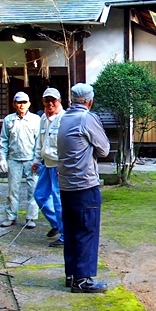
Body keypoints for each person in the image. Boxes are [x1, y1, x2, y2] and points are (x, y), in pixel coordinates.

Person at [57, 83, 111, 293]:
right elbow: (104, 149)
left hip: (66, 184)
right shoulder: (87, 118)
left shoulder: (64, 118)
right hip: (84, 184)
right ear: (90, 101)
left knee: (71, 230)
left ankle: (72, 274)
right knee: (87, 230)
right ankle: (82, 280)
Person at [0, 91, 41, 229]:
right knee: (12, 190)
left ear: (29, 104)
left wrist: (37, 159)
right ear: (14, 104)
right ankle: (11, 216)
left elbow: (39, 141)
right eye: (19, 102)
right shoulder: (8, 120)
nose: (22, 105)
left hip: (31, 159)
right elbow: (4, 140)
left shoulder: (36, 119)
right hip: (14, 159)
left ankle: (31, 217)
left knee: (33, 189)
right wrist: (2, 158)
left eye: (24, 102)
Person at [31, 88, 66, 247]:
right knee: (40, 195)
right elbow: (40, 142)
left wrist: (63, 164)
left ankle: (65, 235)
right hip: (46, 164)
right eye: (47, 100)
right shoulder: (43, 118)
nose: (50, 103)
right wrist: (36, 160)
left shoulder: (64, 118)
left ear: (59, 101)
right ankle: (56, 224)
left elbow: (67, 146)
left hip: (58, 166)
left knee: (59, 201)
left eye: (53, 100)